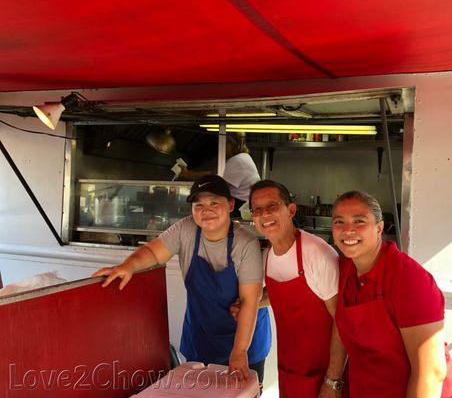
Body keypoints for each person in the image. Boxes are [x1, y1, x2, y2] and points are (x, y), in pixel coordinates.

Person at [92, 175, 271, 383]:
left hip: (245, 339)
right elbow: (152, 252)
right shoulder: (185, 229)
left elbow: (250, 301)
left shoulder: (245, 243)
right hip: (202, 336)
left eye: (214, 202)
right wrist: (128, 266)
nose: (206, 210)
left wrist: (239, 352)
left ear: (231, 205)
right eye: (199, 205)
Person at [331, 190, 452, 398]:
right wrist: (333, 382)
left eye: (359, 221)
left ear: (379, 228)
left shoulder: (409, 279)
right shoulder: (346, 268)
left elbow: (430, 373)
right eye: (339, 222)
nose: (348, 230)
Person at [235, 180, 346, 398]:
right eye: (257, 210)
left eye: (272, 206)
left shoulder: (317, 254)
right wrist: (250, 306)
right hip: (289, 369)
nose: (264, 214)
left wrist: (333, 382)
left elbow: (342, 320)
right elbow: (281, 295)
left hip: (323, 372)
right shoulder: (268, 255)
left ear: (291, 210)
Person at [177, 133, 260, 218]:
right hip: (242, 205)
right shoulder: (243, 157)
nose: (221, 149)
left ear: (231, 144)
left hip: (240, 207)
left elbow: (217, 183)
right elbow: (214, 175)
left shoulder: (237, 161)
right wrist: (189, 174)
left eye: (223, 145)